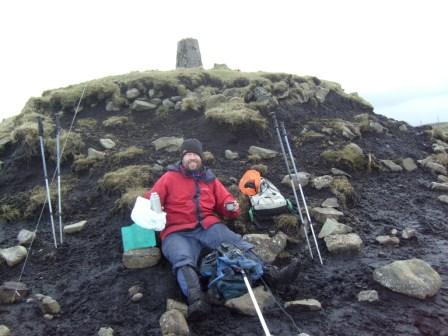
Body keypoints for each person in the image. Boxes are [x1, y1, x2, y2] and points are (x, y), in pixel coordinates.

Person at [144, 138, 300, 320]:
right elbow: (149, 202)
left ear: (201, 158)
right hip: (176, 231)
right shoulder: (169, 178)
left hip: (208, 226)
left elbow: (225, 201)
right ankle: (196, 300)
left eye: (195, 155)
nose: (192, 158)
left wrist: (230, 207)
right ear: (182, 158)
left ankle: (271, 274)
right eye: (188, 155)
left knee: (237, 244)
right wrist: (151, 212)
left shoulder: (210, 179)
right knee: (182, 259)